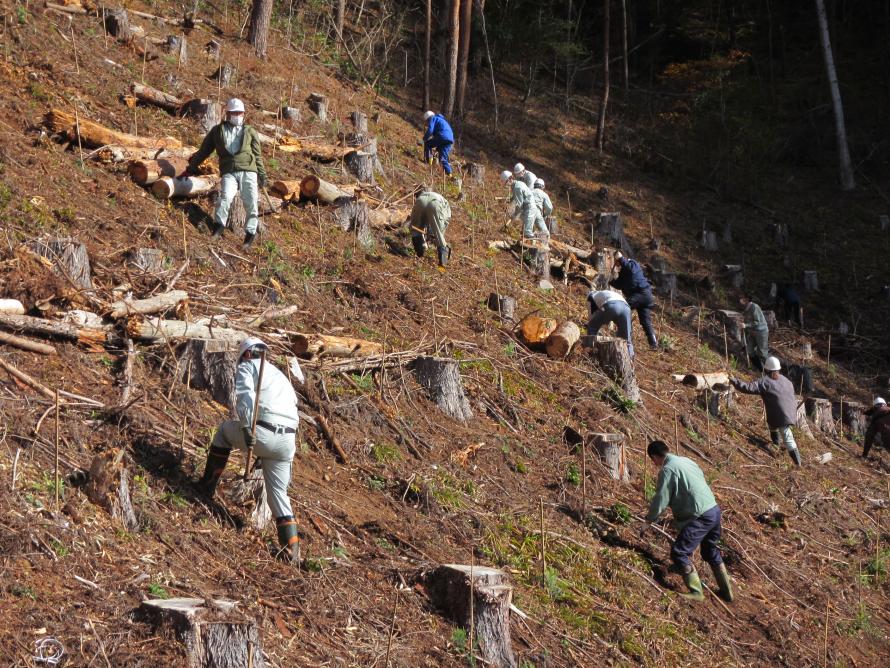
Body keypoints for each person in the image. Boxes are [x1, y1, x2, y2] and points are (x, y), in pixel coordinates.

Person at [197, 337, 301, 563]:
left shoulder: (247, 367)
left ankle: (205, 488)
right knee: (278, 494)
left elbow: (245, 399)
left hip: (262, 433)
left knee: (224, 431)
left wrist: (245, 428)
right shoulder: (281, 376)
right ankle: (292, 551)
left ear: (245, 354)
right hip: (287, 441)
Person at [641, 441, 733, 602]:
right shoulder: (687, 461)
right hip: (714, 510)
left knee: (679, 552)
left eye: (653, 461)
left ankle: (696, 592)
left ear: (655, 457)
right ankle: (727, 592)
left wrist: (649, 520)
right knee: (709, 551)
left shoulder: (668, 470)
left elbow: (661, 498)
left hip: (699, 516)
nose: (654, 464)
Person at [187, 98, 267, 250]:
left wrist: (262, 175)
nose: (237, 115)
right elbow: (205, 150)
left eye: (240, 113)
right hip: (229, 171)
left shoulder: (250, 131)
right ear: (228, 113)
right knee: (225, 198)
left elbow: (257, 155)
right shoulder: (217, 131)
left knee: (251, 203)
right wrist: (193, 165)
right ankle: (218, 228)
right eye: (234, 113)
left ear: (244, 114)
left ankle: (249, 236)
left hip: (248, 171)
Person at [730, 356, 802, 467]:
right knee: (772, 424)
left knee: (787, 437)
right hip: (791, 412)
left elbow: (748, 388)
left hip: (780, 414)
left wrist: (734, 380)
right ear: (778, 368)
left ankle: (798, 464)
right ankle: (776, 445)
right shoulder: (787, 381)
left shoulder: (765, 381)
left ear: (767, 369)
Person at [610, 252, 658, 349]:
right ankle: (653, 343)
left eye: (617, 261)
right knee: (645, 321)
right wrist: (610, 279)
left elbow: (630, 268)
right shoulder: (623, 273)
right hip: (644, 297)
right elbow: (619, 285)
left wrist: (621, 258)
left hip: (642, 293)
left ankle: (623, 335)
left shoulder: (632, 264)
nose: (617, 263)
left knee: (622, 307)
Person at [409, 186, 452, 269]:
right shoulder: (447, 208)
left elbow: (419, 223)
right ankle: (442, 266)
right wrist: (437, 234)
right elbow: (442, 224)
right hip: (435, 203)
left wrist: (430, 232)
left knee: (415, 229)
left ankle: (419, 255)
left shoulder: (423, 196)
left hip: (420, 201)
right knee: (439, 235)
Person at [586, 289, 634, 358]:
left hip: (612, 306)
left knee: (592, 326)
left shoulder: (590, 297)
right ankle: (630, 358)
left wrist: (593, 325)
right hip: (626, 308)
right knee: (626, 338)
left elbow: (591, 318)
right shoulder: (606, 293)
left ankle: (590, 350)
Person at [500, 170, 546, 240]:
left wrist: (514, 215)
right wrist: (511, 200)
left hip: (529, 208)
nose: (505, 184)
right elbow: (517, 197)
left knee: (527, 232)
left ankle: (536, 245)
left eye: (505, 182)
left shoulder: (517, 187)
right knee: (525, 231)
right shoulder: (518, 184)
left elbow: (519, 205)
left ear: (510, 179)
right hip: (528, 208)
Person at [739, 292, 769, 371]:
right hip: (752, 332)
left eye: (743, 298)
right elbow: (746, 319)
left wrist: (746, 325)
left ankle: (770, 370)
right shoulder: (746, 308)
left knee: (762, 353)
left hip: (761, 331)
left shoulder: (754, 307)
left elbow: (757, 322)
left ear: (747, 299)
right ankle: (759, 368)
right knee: (749, 350)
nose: (741, 299)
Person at [422, 110, 454, 176]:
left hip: (442, 136)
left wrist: (424, 139)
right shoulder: (441, 120)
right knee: (442, 158)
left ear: (428, 118)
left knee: (428, 144)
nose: (427, 123)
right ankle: (450, 174)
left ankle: (428, 162)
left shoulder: (433, 118)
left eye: (427, 121)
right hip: (450, 139)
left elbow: (430, 130)